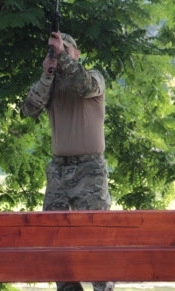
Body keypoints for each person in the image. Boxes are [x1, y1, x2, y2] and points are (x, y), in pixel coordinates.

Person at [22, 32, 113, 291]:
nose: (57, 55)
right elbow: (29, 109)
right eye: (52, 50)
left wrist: (61, 55)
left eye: (63, 50)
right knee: (54, 236)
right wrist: (46, 74)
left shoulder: (94, 76)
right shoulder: (50, 84)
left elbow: (84, 86)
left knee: (95, 238)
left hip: (89, 169)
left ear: (76, 53)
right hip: (58, 170)